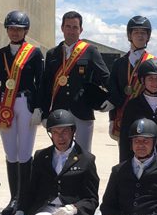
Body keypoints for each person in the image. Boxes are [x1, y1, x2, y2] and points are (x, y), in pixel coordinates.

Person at [0, 10, 44, 215]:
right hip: (6, 104)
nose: (15, 32)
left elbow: (40, 82)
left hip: (25, 103)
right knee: (10, 152)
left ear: (26, 31)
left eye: (19, 29)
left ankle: (25, 198)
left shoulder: (34, 53)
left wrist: (40, 108)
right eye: (11, 28)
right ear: (7, 29)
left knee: (24, 152)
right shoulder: (0, 54)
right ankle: (14, 197)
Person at [42, 11, 111, 153]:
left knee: (84, 154)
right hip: (59, 111)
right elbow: (46, 86)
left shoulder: (90, 51)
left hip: (82, 110)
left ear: (81, 30)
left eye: (75, 27)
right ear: (61, 28)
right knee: (60, 152)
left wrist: (112, 99)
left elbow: (105, 77)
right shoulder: (52, 54)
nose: (71, 31)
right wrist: (43, 113)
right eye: (68, 26)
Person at [107, 16, 156, 142]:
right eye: (136, 32)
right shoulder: (119, 63)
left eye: (143, 33)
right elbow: (113, 91)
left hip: (147, 117)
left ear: (148, 36)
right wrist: (112, 119)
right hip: (124, 117)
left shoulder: (154, 63)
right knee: (125, 158)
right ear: (130, 35)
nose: (140, 36)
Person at [118, 58, 157, 162]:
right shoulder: (132, 105)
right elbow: (125, 139)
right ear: (143, 80)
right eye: (150, 78)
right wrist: (124, 165)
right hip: (138, 160)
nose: (155, 82)